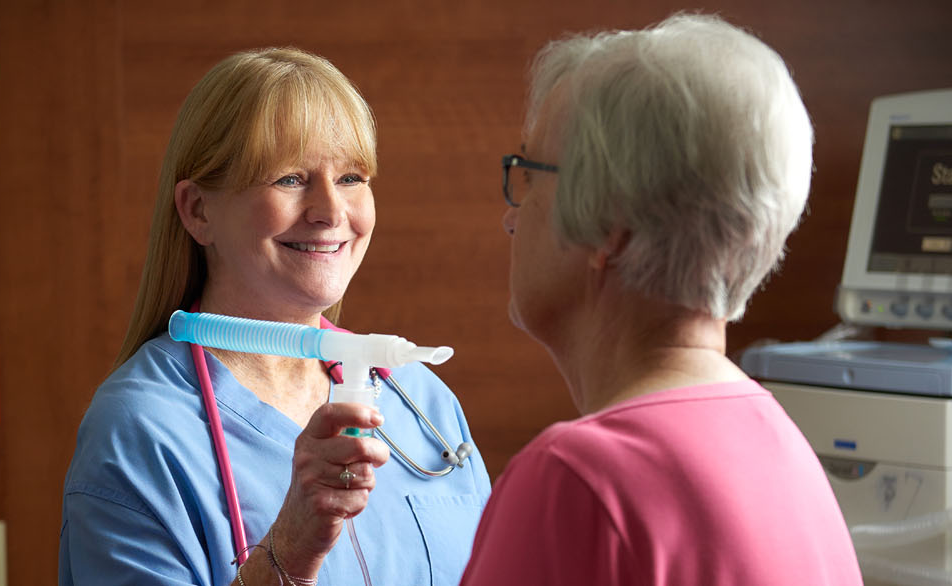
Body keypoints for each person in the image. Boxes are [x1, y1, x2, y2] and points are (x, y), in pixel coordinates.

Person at [61, 47, 492, 586]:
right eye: (290, 178)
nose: (332, 212)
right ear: (198, 210)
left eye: (353, 177)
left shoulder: (422, 402)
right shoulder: (141, 432)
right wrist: (289, 551)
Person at [461, 14, 862, 585]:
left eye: (529, 175)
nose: (510, 215)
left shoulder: (576, 480)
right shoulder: (781, 446)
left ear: (609, 225)